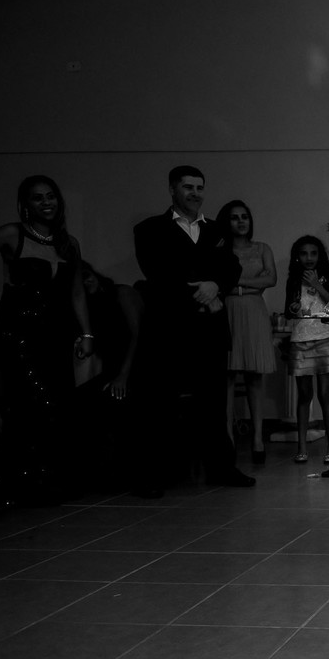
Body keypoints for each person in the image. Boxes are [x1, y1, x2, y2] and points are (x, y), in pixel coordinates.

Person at [134, 165, 254, 489]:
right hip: (170, 329)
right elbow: (159, 273)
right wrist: (201, 294)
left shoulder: (216, 230)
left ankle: (222, 469)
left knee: (213, 404)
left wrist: (216, 285)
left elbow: (230, 266)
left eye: (200, 188)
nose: (195, 193)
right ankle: (155, 476)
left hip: (210, 330)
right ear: (173, 189)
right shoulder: (148, 229)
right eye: (188, 187)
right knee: (162, 403)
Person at [0, 176, 93, 504]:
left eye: (50, 197)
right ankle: (13, 482)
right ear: (25, 204)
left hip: (55, 335)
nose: (46, 203)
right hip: (16, 336)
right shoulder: (11, 234)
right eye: (37, 198)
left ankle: (41, 481)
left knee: (58, 406)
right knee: (35, 403)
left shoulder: (67, 243)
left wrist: (87, 333)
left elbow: (76, 292)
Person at [216, 200, 277, 463]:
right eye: (234, 217)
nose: (241, 221)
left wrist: (235, 281)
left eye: (245, 217)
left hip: (254, 310)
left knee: (254, 377)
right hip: (227, 308)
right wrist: (250, 284)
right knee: (227, 376)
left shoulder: (262, 248)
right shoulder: (219, 248)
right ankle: (227, 437)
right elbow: (218, 281)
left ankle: (257, 439)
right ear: (226, 222)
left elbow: (270, 280)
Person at [76, 261, 145, 493]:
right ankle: (101, 475)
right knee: (83, 400)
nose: (86, 283)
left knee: (121, 402)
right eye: (80, 283)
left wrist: (123, 375)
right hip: (113, 369)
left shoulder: (122, 293)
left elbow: (137, 337)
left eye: (88, 276)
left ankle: (135, 475)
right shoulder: (88, 308)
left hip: (137, 365)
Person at [284, 236, 329, 465]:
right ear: (298, 256)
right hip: (300, 338)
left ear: (320, 256)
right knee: (304, 394)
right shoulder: (293, 279)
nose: (309, 258)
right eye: (304, 253)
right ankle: (301, 447)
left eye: (313, 253)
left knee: (325, 394)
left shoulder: (327, 276)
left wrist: (317, 285)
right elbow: (288, 311)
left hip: (326, 336)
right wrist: (293, 307)